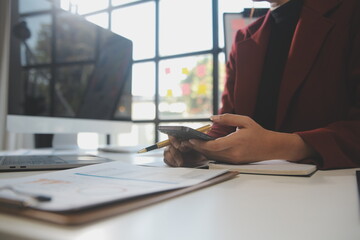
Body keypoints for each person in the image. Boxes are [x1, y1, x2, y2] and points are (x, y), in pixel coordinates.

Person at [163, 0, 360, 170]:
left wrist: (281, 146)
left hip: (330, 189)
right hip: (248, 191)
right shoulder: (244, 37)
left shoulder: (350, 12)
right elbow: (227, 125)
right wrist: (202, 150)